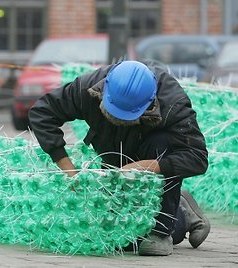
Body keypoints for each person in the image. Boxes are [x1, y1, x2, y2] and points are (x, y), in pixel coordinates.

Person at [28, 60, 211, 256]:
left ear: (150, 103)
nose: (121, 119)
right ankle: (179, 206)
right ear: (104, 90)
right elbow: (42, 112)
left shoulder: (173, 104)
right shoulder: (88, 87)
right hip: (112, 158)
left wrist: (152, 166)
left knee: (141, 241)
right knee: (114, 238)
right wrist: (69, 170)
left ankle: (165, 227)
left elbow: (197, 158)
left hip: (153, 164)